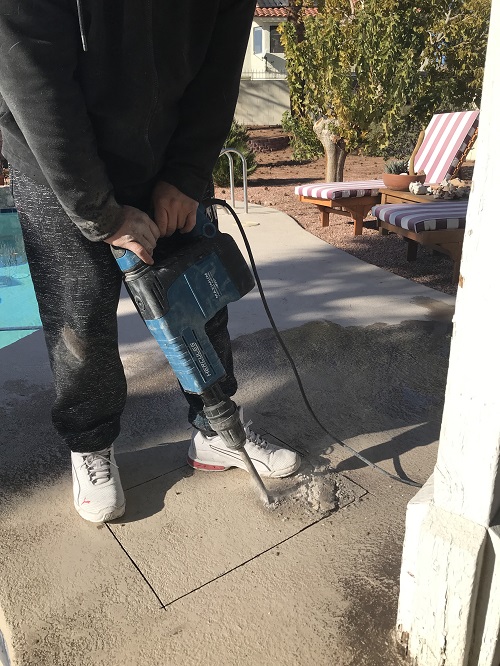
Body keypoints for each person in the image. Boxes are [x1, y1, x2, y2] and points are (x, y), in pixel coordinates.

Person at [0, 1, 300, 523]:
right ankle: (91, 443)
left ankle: (215, 431)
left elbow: (219, 69)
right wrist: (99, 212)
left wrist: (186, 175)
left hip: (165, 154)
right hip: (56, 162)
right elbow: (31, 70)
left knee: (199, 299)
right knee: (79, 315)